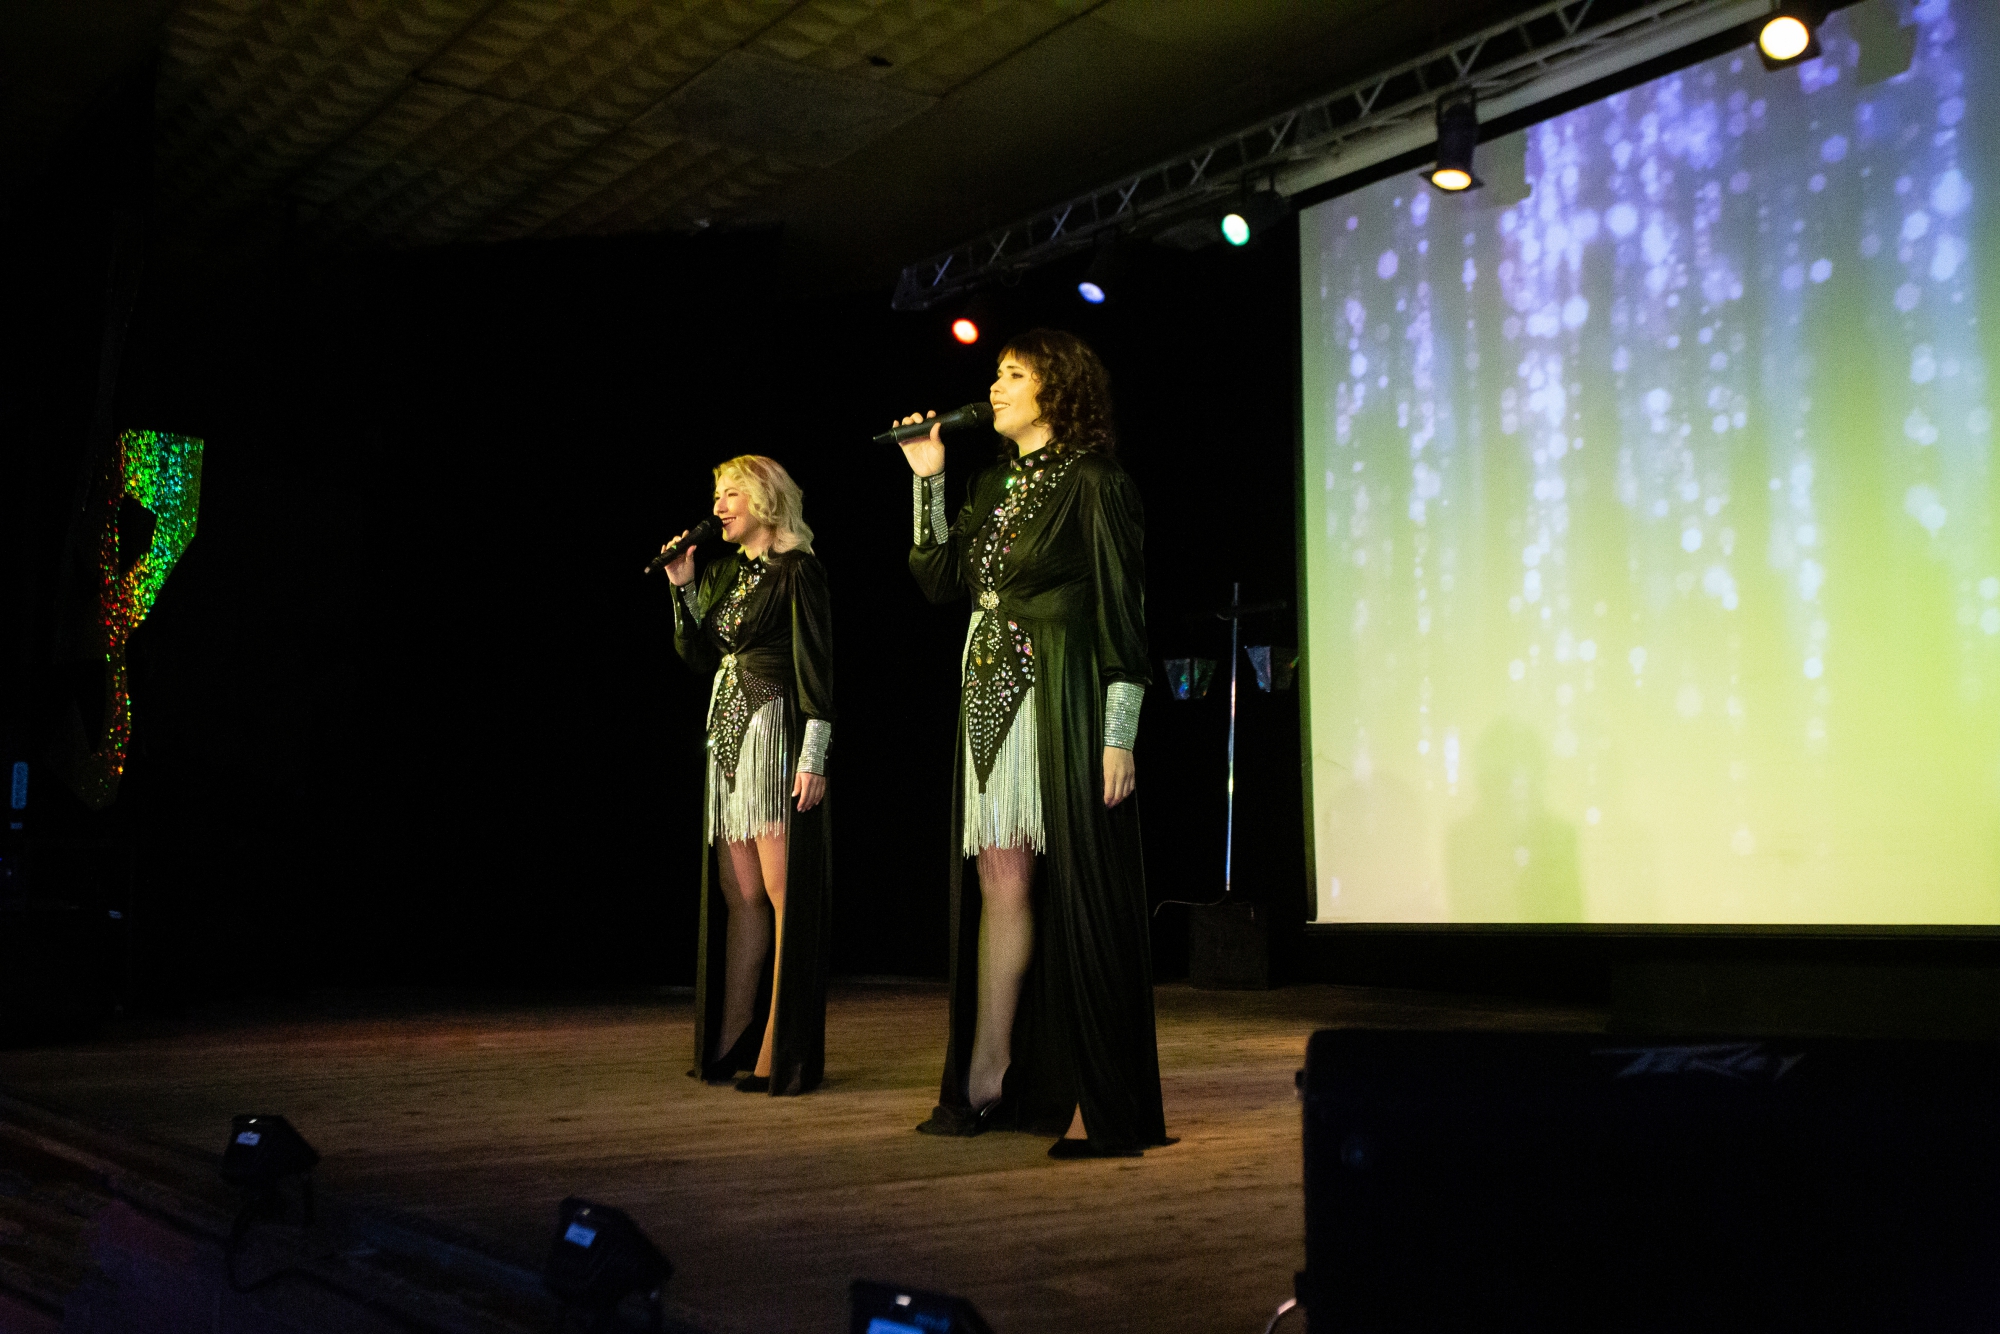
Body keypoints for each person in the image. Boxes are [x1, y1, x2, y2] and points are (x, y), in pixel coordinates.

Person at [896, 328, 1168, 1158]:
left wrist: (1119, 735)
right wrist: (929, 481)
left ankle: (1099, 1095)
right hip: (989, 697)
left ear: (1058, 389)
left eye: (1013, 375)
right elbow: (939, 579)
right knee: (999, 877)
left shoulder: (1096, 480)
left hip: (1065, 695)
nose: (996, 387)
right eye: (997, 374)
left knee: (1082, 888)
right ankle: (988, 1072)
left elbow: (1124, 612)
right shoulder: (989, 482)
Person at [660, 455, 834, 1096]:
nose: (718, 506)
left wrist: (814, 755)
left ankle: (776, 1048)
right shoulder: (727, 572)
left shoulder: (799, 570)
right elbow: (700, 655)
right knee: (741, 895)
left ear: (766, 499)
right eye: (716, 494)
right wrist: (683, 588)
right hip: (728, 735)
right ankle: (733, 1038)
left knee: (783, 895)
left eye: (731, 493)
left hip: (773, 736)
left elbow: (817, 668)